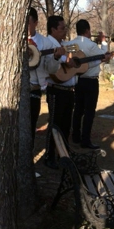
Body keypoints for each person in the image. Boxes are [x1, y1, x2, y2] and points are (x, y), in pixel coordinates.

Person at [69, 20, 111, 149]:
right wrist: (103, 41)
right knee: (89, 112)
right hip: (91, 81)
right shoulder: (91, 45)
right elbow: (103, 56)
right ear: (87, 30)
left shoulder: (71, 44)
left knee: (78, 110)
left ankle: (75, 135)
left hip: (78, 80)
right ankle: (85, 140)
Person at [43, 15, 74, 169]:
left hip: (69, 90)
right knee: (55, 124)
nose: (65, 31)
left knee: (66, 125)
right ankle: (49, 155)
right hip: (56, 90)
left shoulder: (66, 45)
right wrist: (63, 58)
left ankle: (64, 155)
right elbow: (48, 62)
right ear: (53, 29)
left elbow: (76, 54)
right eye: (62, 28)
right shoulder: (47, 43)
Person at [27, 7, 60, 146]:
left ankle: (28, 158)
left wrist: (56, 57)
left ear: (35, 22)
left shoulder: (45, 43)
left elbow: (51, 68)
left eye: (27, 22)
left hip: (33, 88)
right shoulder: (11, 40)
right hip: (13, 90)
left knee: (31, 125)